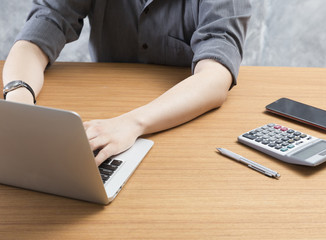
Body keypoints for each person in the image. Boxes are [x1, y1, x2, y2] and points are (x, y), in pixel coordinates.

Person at [2, 0, 251, 166]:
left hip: (185, 129)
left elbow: (215, 77)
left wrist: (130, 124)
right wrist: (20, 102)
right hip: (106, 115)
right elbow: (41, 29)